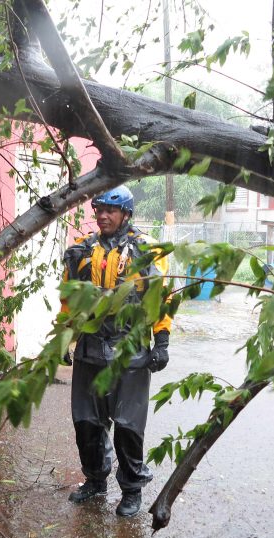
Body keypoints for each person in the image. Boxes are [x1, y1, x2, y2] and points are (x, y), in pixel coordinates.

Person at [61, 185, 171, 517]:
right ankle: (95, 480)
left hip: (130, 350)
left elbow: (160, 297)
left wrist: (162, 341)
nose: (103, 216)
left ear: (125, 213)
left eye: (110, 210)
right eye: (99, 210)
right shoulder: (81, 251)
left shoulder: (146, 250)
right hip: (91, 350)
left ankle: (132, 489)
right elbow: (70, 299)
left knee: (127, 425)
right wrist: (65, 338)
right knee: (87, 422)